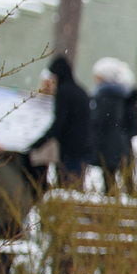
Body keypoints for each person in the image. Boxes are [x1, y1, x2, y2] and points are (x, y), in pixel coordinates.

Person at [90, 58, 137, 197]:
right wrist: (123, 136)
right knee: (128, 185)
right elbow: (135, 127)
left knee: (109, 187)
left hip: (108, 148)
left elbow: (99, 123)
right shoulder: (127, 96)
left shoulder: (105, 97)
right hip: (124, 148)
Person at [40, 54, 92, 190]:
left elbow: (59, 122)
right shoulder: (80, 90)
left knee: (67, 185)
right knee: (75, 184)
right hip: (82, 144)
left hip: (69, 146)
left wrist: (41, 141)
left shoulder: (63, 92)